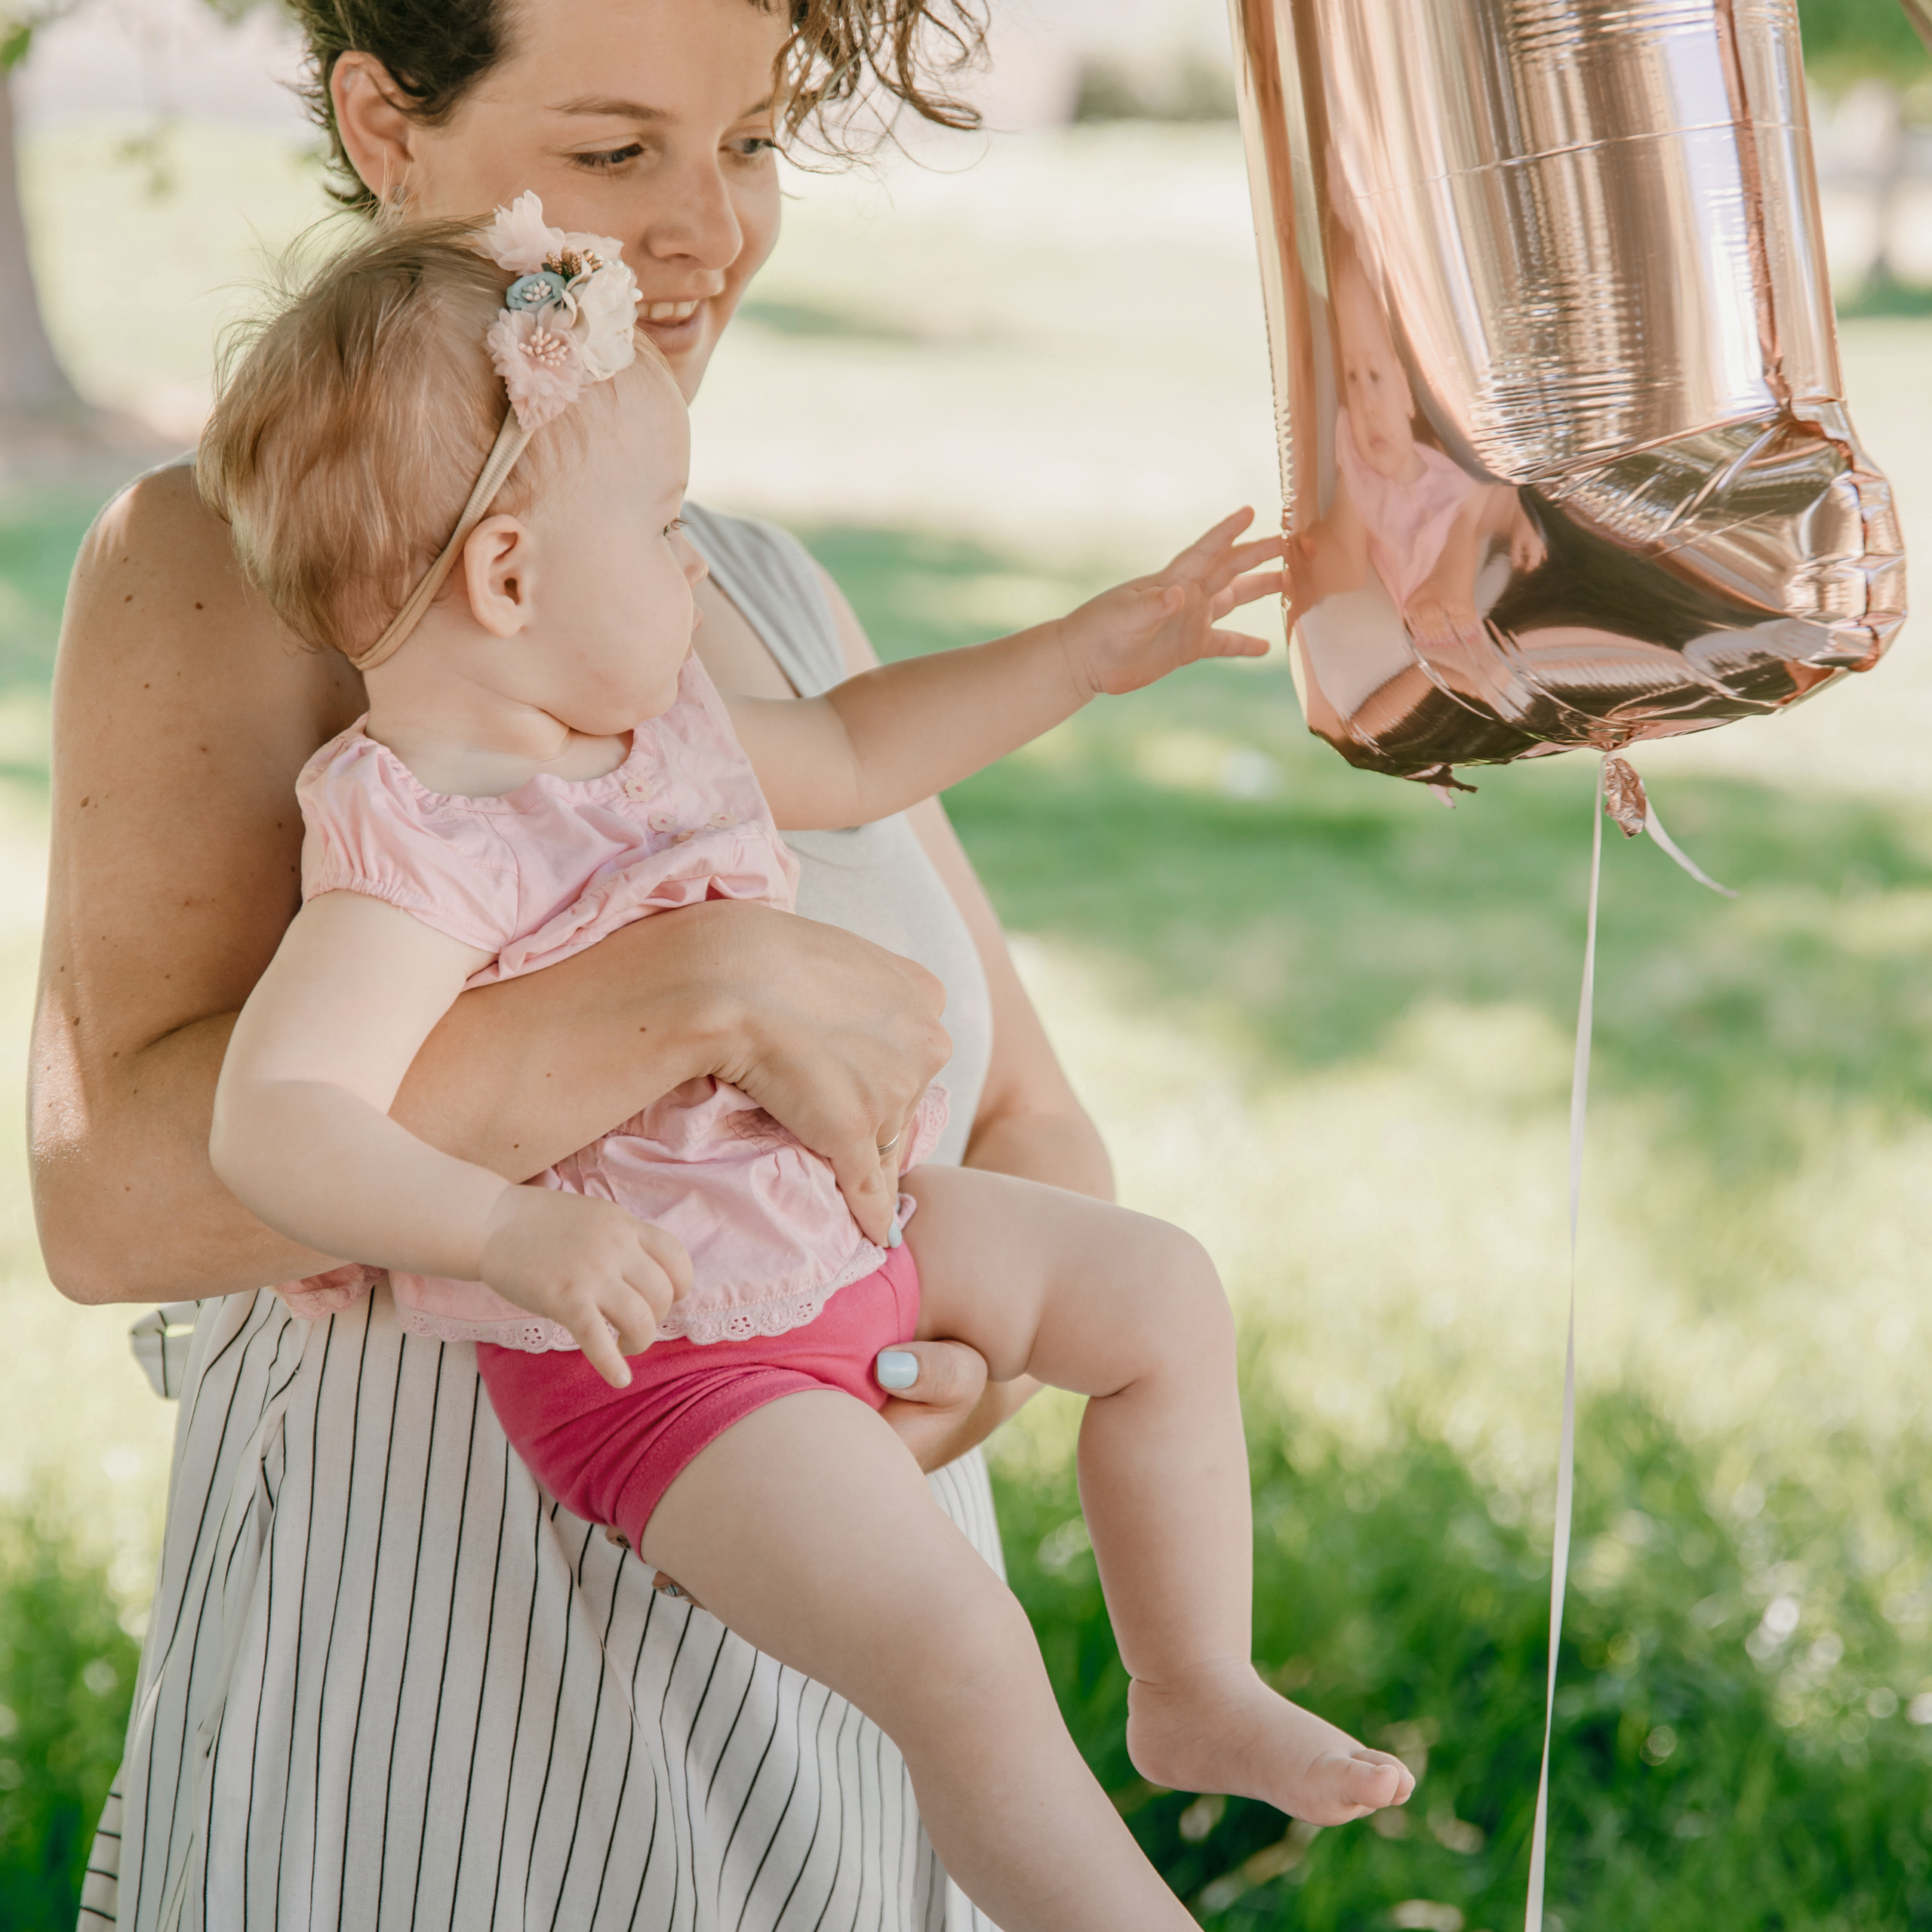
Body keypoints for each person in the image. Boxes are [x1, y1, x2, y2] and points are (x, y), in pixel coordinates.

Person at [29, 4, 1152, 1926]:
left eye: (753, 144)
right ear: (389, 124)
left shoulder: (764, 591)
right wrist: (691, 989)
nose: (709, 228)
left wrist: (967, 1357)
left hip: (852, 1659)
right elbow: (112, 1196)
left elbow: (1029, 1108)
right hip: (456, 1676)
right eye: (622, 153)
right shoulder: (223, 566)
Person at [193, 205, 1411, 1930]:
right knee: (955, 1648)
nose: (696, 572)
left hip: (846, 1232)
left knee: (1155, 1292)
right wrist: (500, 1231)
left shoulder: (653, 734)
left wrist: (1089, 646)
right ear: (512, 578)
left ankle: (1189, 1676)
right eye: (665, 527)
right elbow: (278, 1115)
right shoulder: (413, 841)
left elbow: (853, 743)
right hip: (666, 1369)